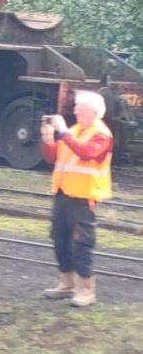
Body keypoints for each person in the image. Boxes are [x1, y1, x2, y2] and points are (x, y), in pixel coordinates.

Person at [40, 90, 113, 307]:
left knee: (82, 243)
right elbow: (53, 157)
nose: (75, 110)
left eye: (80, 107)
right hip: (63, 193)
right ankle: (66, 284)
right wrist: (47, 137)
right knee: (60, 238)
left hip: (83, 197)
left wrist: (62, 133)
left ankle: (86, 290)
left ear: (93, 111)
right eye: (76, 107)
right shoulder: (74, 131)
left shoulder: (101, 134)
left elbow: (87, 153)